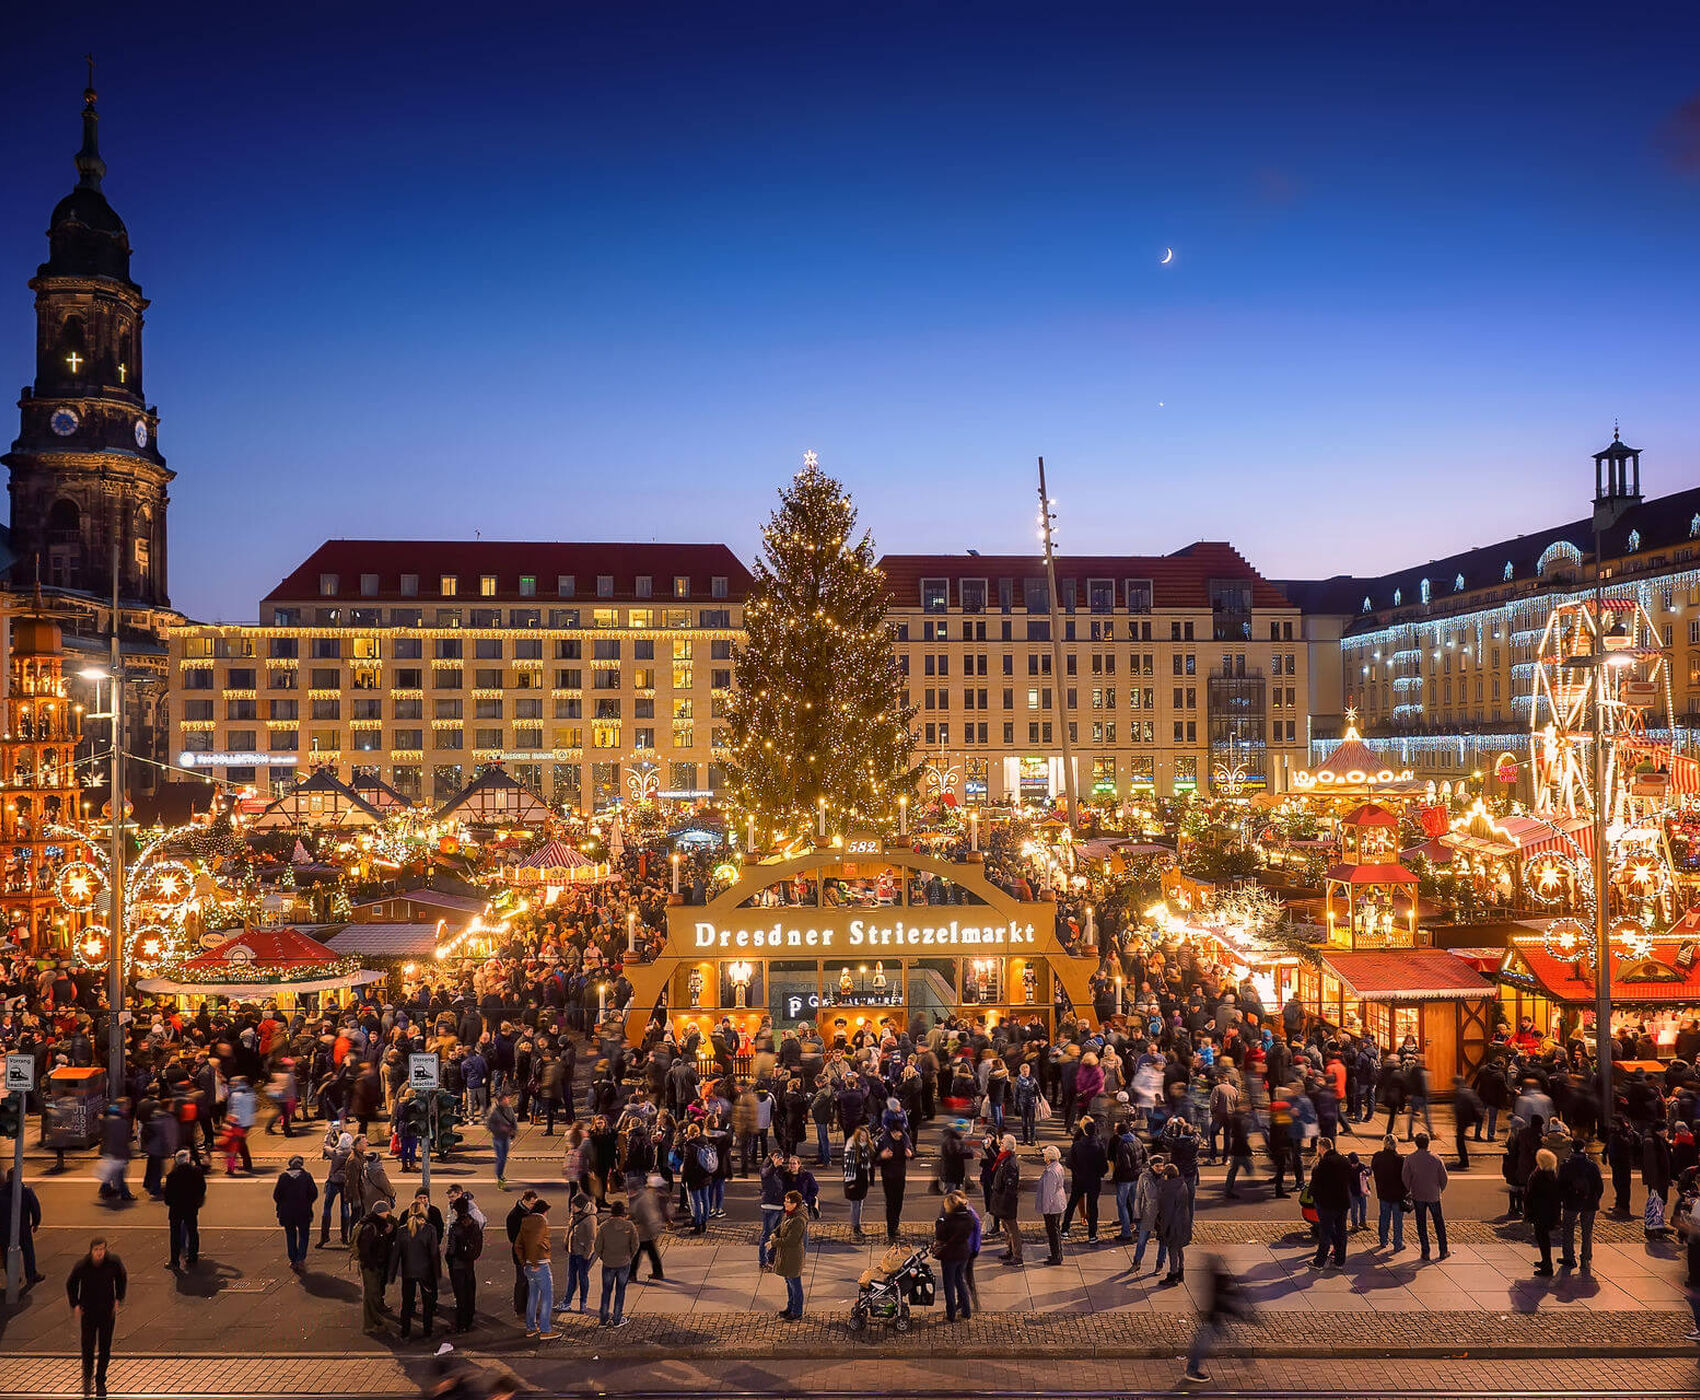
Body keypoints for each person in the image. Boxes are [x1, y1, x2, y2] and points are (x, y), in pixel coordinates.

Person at [66, 1237, 126, 1399]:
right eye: (97, 1250)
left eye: (102, 1250)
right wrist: (76, 1304)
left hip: (107, 1312)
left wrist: (118, 1298)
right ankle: (87, 1376)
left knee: (105, 1347)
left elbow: (121, 1278)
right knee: (87, 1347)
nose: (100, 1253)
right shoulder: (83, 1266)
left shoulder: (113, 1263)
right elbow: (71, 1284)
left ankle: (100, 1379)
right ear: (91, 1251)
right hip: (89, 1312)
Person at [1182, 1254, 1253, 1386]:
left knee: (1220, 1341)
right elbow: (1223, 1301)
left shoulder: (1214, 1279)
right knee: (1202, 1346)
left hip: (1212, 1319)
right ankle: (1191, 1371)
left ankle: (1246, 1359)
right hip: (1212, 1320)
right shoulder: (1217, 1281)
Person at [392, 1195, 443, 1341]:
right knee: (428, 1303)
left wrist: (393, 1272)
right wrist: (437, 1271)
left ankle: (405, 1330)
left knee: (407, 1302)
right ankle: (427, 1330)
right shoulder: (429, 1229)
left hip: (408, 1270)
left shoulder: (402, 1230)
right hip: (425, 1271)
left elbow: (397, 1252)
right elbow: (434, 1252)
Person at [1558, 1132, 1603, 1273]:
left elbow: (1560, 1185)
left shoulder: (1566, 1166)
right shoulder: (1592, 1166)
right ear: (1584, 1149)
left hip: (1570, 1202)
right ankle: (1586, 1257)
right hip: (1589, 1202)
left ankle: (1569, 1257)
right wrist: (1595, 1198)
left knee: (1568, 1229)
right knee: (1587, 1231)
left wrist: (1563, 1199)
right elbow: (1599, 1186)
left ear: (1572, 1149)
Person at [1402, 1132, 1450, 1261]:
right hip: (1433, 1195)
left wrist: (1410, 1189)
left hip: (1418, 1195)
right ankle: (1443, 1250)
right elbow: (1444, 1179)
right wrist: (1439, 1190)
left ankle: (1425, 1251)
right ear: (1428, 1143)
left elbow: (1405, 1178)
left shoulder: (1410, 1158)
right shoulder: (1436, 1159)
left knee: (1421, 1223)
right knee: (1439, 1223)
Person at [352, 1203, 398, 1336]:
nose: (389, 1214)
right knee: (370, 1295)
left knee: (374, 1294)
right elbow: (365, 1251)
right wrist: (373, 1265)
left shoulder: (379, 1224)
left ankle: (376, 1320)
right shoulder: (370, 1227)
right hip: (370, 1267)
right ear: (381, 1212)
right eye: (387, 1212)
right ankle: (370, 1325)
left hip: (375, 1265)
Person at [593, 1199, 640, 1327]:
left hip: (608, 1264)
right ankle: (617, 1318)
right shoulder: (629, 1226)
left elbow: (597, 1247)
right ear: (623, 1212)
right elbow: (635, 1245)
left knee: (606, 1291)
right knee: (620, 1291)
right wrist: (628, 1256)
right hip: (623, 1263)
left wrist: (604, 1257)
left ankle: (603, 1319)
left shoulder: (604, 1226)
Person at [1060, 1116, 1108, 1243]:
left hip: (1079, 1179)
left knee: (1072, 1204)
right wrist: (1099, 1173)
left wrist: (1077, 1170)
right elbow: (1104, 1166)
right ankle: (1092, 1234)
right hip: (1094, 1180)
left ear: (1085, 1131)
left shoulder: (1077, 1145)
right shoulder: (1099, 1146)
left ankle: (1065, 1229)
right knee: (1092, 1207)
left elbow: (1069, 1162)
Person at [517, 1196, 557, 1339]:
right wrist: (534, 1263)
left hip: (528, 1266)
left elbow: (518, 1245)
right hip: (539, 1265)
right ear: (543, 1211)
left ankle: (531, 1327)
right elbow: (536, 1242)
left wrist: (525, 1262)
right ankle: (546, 1330)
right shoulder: (540, 1222)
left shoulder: (525, 1221)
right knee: (547, 1297)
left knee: (533, 1296)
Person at [1308, 1138, 1352, 1268]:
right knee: (1341, 1231)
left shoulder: (1323, 1164)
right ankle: (1340, 1260)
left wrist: (1314, 1198)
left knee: (1325, 1233)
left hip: (1327, 1204)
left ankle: (1319, 1261)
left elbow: (1315, 1185)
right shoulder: (1344, 1160)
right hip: (1343, 1202)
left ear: (1321, 1147)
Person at [933, 1190, 976, 1322]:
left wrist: (939, 1223)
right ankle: (966, 1310)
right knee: (960, 1281)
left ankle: (951, 1313)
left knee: (949, 1284)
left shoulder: (947, 1221)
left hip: (949, 1254)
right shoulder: (968, 1218)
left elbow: (939, 1236)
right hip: (963, 1252)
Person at [444, 1194, 484, 1332]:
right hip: (469, 1264)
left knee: (460, 1294)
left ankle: (461, 1323)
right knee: (469, 1291)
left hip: (457, 1265)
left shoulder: (455, 1227)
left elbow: (451, 1249)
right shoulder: (474, 1224)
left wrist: (448, 1259)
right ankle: (469, 1318)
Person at [768, 1189, 809, 1321]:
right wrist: (774, 1233)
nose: (785, 1204)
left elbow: (791, 1241)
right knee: (789, 1283)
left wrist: (773, 1242)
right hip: (786, 1255)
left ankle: (797, 1311)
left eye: (788, 1202)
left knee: (795, 1285)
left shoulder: (798, 1220)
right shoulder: (789, 1214)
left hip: (793, 1257)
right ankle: (790, 1307)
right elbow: (780, 1228)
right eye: (785, 1201)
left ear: (795, 1204)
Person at [273, 1154, 318, 1271]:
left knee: (290, 1235)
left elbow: (276, 1195)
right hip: (303, 1211)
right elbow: (313, 1193)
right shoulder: (306, 1177)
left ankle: (293, 1259)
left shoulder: (283, 1177)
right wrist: (307, 1202)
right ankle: (301, 1258)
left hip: (287, 1212)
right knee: (304, 1235)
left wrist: (282, 1204)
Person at [0, 1166, 44, 1288]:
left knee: (7, 1253)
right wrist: (36, 1222)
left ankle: (13, 1277)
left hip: (4, 1230)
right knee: (28, 1251)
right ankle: (31, 1274)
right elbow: (35, 1208)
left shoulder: (1, 1192)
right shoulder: (26, 1192)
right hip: (22, 1228)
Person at [162, 1150, 206, 1270]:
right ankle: (193, 1256)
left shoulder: (172, 1175)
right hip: (191, 1207)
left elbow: (168, 1195)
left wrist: (170, 1202)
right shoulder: (196, 1172)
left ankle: (174, 1261)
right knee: (192, 1231)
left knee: (175, 1235)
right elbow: (202, 1188)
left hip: (176, 1208)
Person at [1153, 1162, 1194, 1286]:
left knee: (1172, 1249)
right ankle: (1180, 1271)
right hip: (1183, 1222)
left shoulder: (1168, 1190)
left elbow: (1166, 1211)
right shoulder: (1182, 1185)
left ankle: (1173, 1274)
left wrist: (1162, 1228)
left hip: (1173, 1225)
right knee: (1179, 1248)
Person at [1525, 1147, 1562, 1276]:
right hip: (1549, 1212)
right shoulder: (1551, 1175)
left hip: (1540, 1212)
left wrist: (1528, 1212)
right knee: (1543, 1238)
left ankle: (1547, 1265)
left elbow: (1531, 1195)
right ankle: (1545, 1261)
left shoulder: (1539, 1176)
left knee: (1542, 1238)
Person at [875, 1122, 914, 1244]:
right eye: (897, 1132)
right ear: (891, 1132)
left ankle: (895, 1225)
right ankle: (891, 1232)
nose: (900, 1135)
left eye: (901, 1132)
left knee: (898, 1202)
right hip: (888, 1176)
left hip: (900, 1175)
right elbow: (875, 1160)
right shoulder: (883, 1140)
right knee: (891, 1203)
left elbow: (912, 1150)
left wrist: (911, 1154)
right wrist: (882, 1156)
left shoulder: (905, 1138)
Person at [989, 1133, 1024, 1267]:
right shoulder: (1004, 1159)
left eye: (1002, 1143)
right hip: (1002, 1201)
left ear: (1008, 1147)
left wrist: (1003, 1204)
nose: (1000, 1145)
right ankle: (1010, 1250)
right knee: (1007, 1228)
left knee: (1012, 1229)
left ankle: (1017, 1255)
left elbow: (1010, 1187)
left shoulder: (1010, 1163)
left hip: (1006, 1203)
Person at [505, 1190, 539, 1319]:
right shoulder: (514, 1216)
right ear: (525, 1200)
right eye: (532, 1203)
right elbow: (513, 1238)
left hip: (530, 1253)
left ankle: (528, 1307)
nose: (533, 1206)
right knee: (522, 1281)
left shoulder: (528, 1213)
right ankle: (520, 1309)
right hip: (521, 1255)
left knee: (529, 1282)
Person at [561, 1196, 597, 1313]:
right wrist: (567, 1243)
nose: (572, 1207)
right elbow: (569, 1229)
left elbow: (592, 1239)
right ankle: (567, 1302)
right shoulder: (575, 1215)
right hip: (573, 1251)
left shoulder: (590, 1219)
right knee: (571, 1277)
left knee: (582, 1277)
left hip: (582, 1254)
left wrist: (587, 1255)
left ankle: (583, 1303)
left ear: (581, 1206)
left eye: (574, 1205)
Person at [1035, 1145, 1066, 1266]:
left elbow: (1048, 1192)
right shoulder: (1058, 1167)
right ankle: (1056, 1254)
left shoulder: (1050, 1172)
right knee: (1055, 1230)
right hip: (1058, 1202)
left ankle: (1056, 1256)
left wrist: (1046, 1209)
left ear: (1048, 1157)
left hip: (1053, 1206)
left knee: (1052, 1231)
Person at [842, 1126, 873, 1238]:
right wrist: (849, 1182)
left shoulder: (866, 1148)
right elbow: (847, 1165)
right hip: (853, 1179)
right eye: (861, 1136)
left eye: (865, 1136)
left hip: (862, 1179)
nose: (863, 1138)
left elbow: (869, 1163)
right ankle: (855, 1227)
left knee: (859, 1204)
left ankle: (857, 1225)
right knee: (855, 1204)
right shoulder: (852, 1148)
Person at [487, 1093, 518, 1188]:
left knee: (504, 1157)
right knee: (501, 1157)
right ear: (500, 1101)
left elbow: (513, 1120)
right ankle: (499, 1176)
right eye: (505, 1100)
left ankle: (500, 1174)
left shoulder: (509, 1108)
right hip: (498, 1137)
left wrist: (514, 1131)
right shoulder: (494, 1110)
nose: (507, 1101)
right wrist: (499, 1129)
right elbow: (489, 1125)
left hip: (506, 1136)